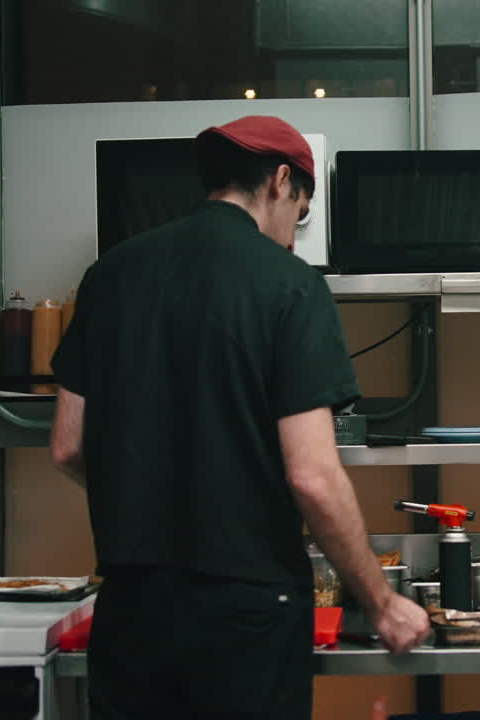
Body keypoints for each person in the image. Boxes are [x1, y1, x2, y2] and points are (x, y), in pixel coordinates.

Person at [49, 115, 430, 719]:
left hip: (131, 614)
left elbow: (68, 446)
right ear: (280, 182)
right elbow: (313, 477)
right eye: (300, 214)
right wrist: (382, 603)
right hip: (245, 619)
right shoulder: (290, 285)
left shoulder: (108, 277)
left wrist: (149, 498)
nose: (292, 238)